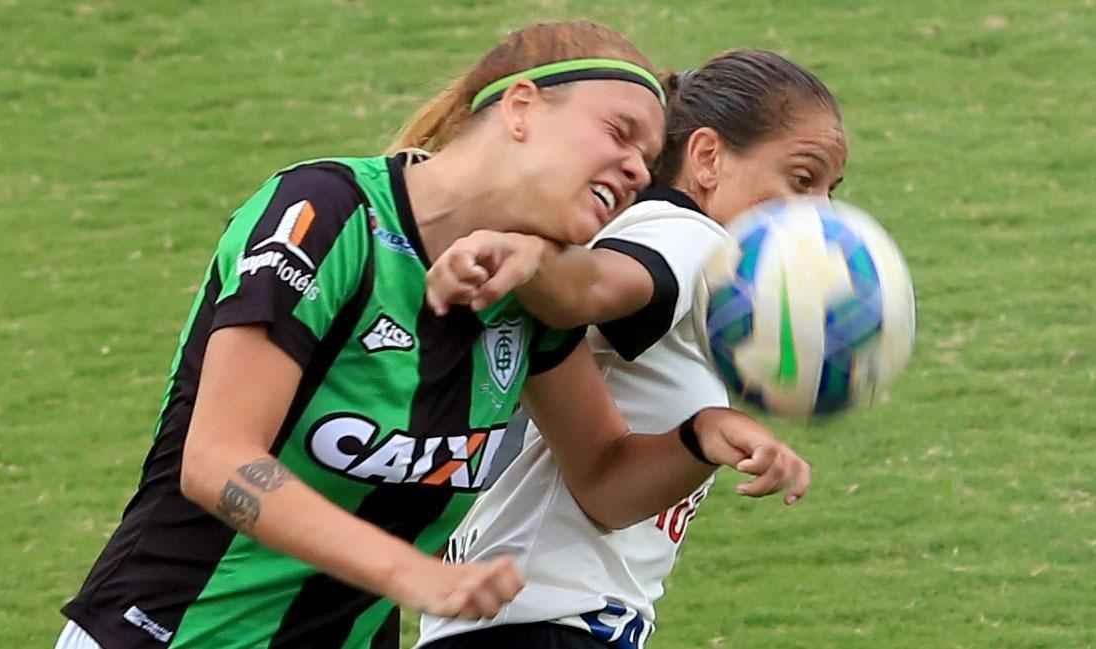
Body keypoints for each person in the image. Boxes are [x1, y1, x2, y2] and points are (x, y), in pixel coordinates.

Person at [54, 22, 811, 649]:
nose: (636, 172)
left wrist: (700, 434)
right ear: (521, 108)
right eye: (618, 133)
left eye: (648, 162)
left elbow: (607, 482)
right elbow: (218, 461)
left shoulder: (525, 295)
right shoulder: (328, 211)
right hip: (158, 633)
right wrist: (412, 575)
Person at [418, 49, 846, 649]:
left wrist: (703, 436)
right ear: (707, 157)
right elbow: (597, 284)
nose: (823, 213)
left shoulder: (706, 281)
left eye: (832, 190)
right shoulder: (689, 239)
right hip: (541, 628)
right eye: (802, 181)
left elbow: (607, 498)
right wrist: (531, 260)